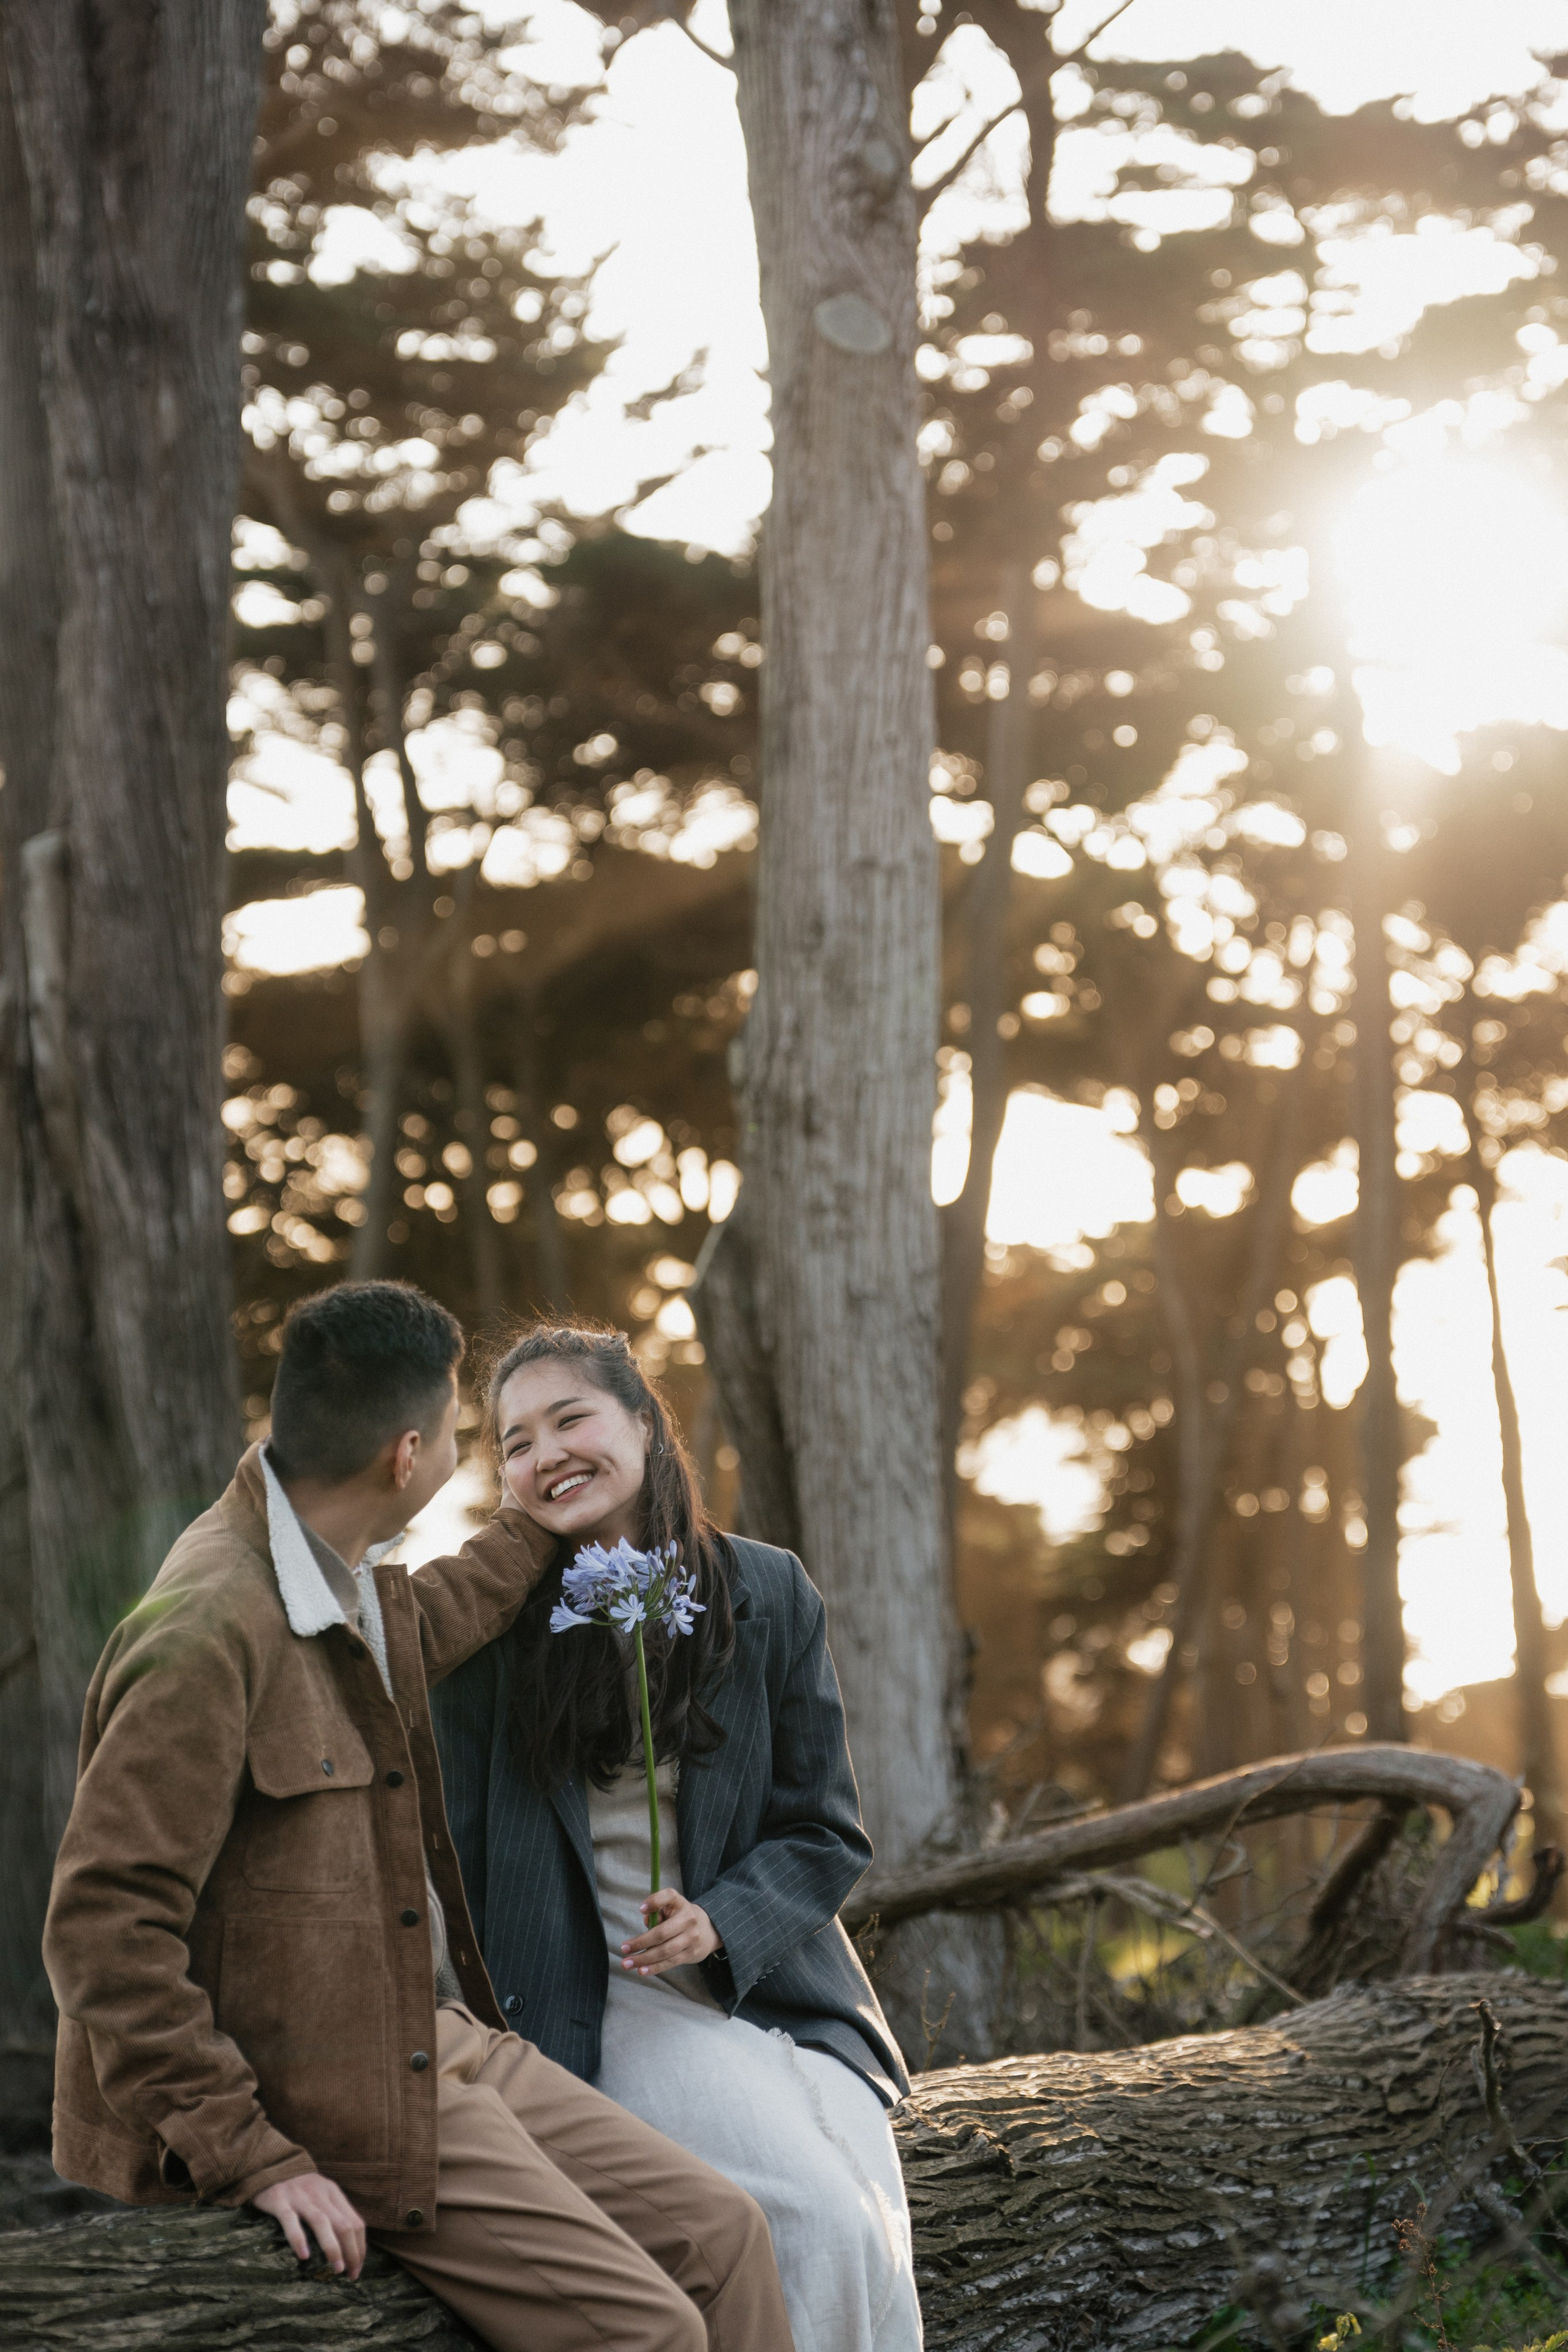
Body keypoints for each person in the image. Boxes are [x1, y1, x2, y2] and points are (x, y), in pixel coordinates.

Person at [43, 1280, 793, 2352]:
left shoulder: (321, 1571)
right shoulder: (208, 1631)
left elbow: (432, 1613)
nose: (476, 1458)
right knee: (652, 2333)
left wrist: (549, 1498)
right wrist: (249, 2153)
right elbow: (101, 1932)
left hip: (431, 2036)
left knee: (728, 2236)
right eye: (465, 1434)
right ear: (407, 1457)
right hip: (319, 2084)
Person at [431, 1319, 924, 2352]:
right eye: (515, 1443)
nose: (545, 1453)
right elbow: (456, 1857)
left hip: (764, 1986)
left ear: (648, 1427)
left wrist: (721, 1921)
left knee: (861, 2210)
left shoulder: (765, 1590)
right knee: (818, 2220)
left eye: (572, 1419)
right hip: (595, 1998)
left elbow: (825, 1828)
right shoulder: (490, 1636)